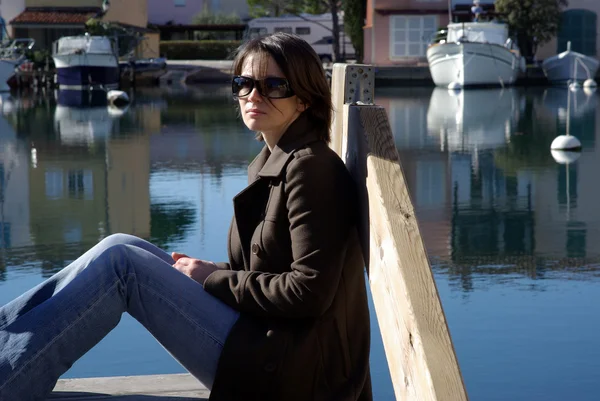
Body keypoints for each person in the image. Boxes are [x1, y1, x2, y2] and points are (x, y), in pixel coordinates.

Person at [0, 32, 372, 401]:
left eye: (274, 85)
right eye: (243, 84)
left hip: (291, 372)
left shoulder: (311, 169)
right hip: (266, 340)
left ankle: (8, 382)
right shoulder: (276, 162)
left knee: (122, 266)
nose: (254, 96)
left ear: (304, 99)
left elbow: (309, 293)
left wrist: (214, 279)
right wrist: (214, 270)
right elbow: (274, 268)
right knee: (121, 244)